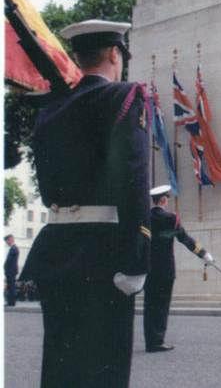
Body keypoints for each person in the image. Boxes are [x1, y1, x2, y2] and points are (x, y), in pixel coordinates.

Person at [19, 20, 151, 388]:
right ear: (114, 54)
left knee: (61, 367)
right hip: (102, 252)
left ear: (77, 56)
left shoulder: (51, 108)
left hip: (55, 250)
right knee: (104, 369)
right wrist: (137, 256)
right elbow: (133, 177)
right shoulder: (124, 96)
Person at [144, 185, 214, 352]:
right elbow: (184, 239)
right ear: (163, 200)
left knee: (150, 305)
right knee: (161, 305)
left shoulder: (145, 217)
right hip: (165, 269)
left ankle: (150, 341)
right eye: (166, 198)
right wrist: (204, 254)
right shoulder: (170, 219)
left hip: (148, 268)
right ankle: (157, 341)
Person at [4, 234, 19, 306]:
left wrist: (5, 267)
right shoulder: (12, 248)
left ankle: (11, 302)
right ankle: (10, 302)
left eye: (7, 241)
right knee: (10, 287)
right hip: (10, 271)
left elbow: (9, 261)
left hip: (11, 271)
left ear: (10, 239)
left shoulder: (14, 249)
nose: (6, 243)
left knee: (11, 287)